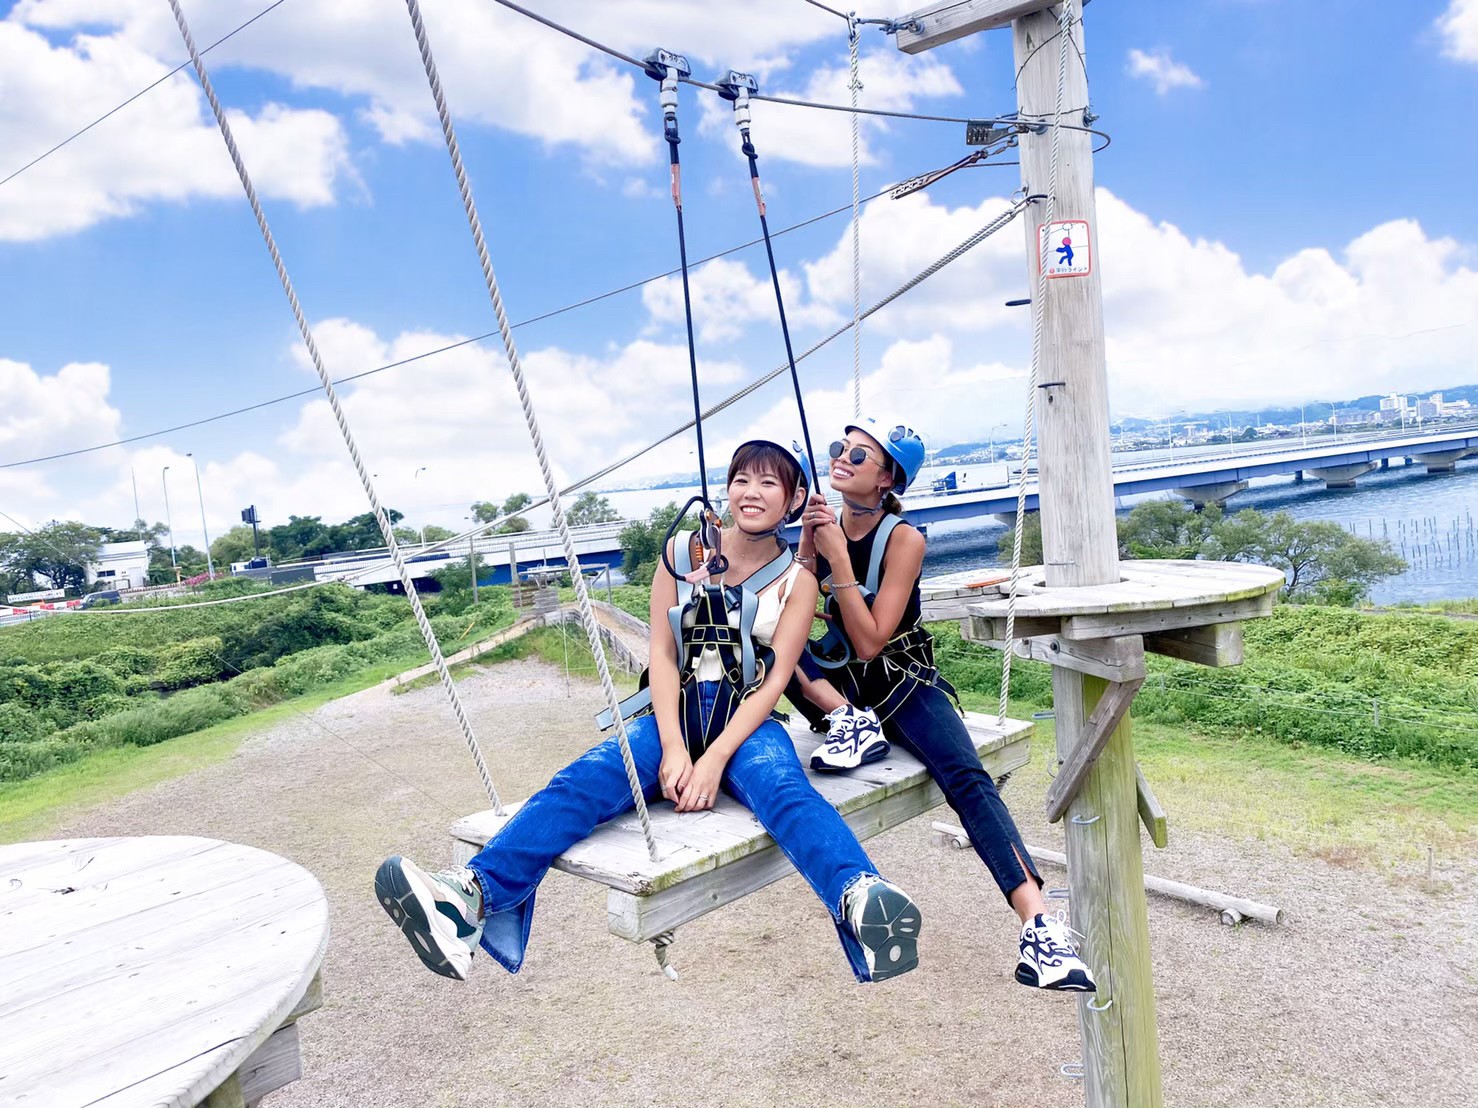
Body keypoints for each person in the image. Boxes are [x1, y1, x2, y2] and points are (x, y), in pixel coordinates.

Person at [375, 440, 922, 984]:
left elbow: (775, 679)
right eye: (741, 480)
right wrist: (676, 747)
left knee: (785, 789)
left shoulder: (797, 579)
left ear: (795, 499)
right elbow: (661, 652)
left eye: (768, 483)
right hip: (673, 712)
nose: (751, 493)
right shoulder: (683, 554)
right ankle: (470, 896)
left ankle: (860, 896)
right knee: (586, 779)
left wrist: (714, 761)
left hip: (746, 719)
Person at [787, 416, 1096, 992]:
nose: (842, 459)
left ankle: (1039, 926)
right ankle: (849, 723)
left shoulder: (904, 539)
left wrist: (839, 560)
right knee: (773, 645)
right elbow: (794, 616)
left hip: (899, 680)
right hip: (839, 691)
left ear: (887, 479)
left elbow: (871, 641)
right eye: (839, 449)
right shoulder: (822, 527)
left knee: (968, 780)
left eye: (859, 455)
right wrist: (808, 549)